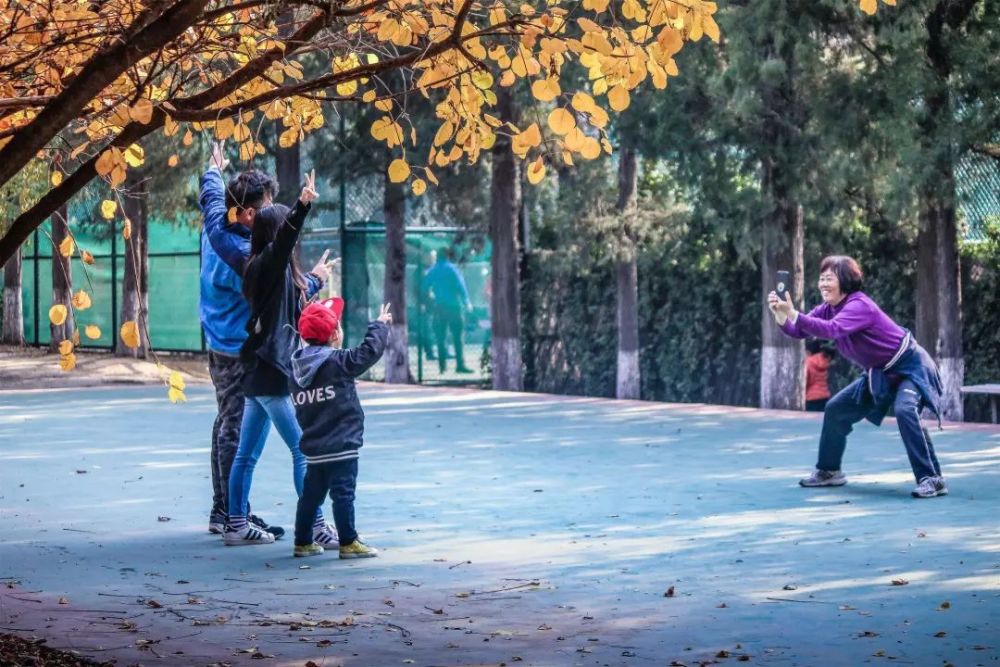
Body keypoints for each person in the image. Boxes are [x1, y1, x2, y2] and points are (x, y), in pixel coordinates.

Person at [217, 166, 337, 546]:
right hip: (269, 371)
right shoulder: (265, 266)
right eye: (287, 229)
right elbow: (284, 244)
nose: (293, 238)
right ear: (276, 236)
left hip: (260, 370)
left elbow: (295, 296)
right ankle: (315, 525)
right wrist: (302, 206)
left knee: (246, 455)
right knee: (304, 450)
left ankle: (236, 523)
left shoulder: (273, 272)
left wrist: (316, 277)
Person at [768, 255, 947, 498]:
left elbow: (831, 329)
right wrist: (782, 316)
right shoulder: (827, 308)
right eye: (821, 279)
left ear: (845, 280)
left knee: (906, 410)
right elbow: (801, 330)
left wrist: (794, 314)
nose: (822, 284)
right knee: (836, 408)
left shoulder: (859, 305)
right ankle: (829, 471)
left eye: (828, 279)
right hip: (879, 373)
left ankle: (931, 478)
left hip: (909, 367)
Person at [199, 149, 285, 538]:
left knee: (225, 422)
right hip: (235, 348)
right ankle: (231, 514)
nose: (271, 214)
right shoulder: (243, 257)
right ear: (249, 214)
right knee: (234, 426)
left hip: (219, 340)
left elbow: (211, 193)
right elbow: (273, 293)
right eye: (266, 209)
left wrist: (214, 166)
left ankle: (228, 509)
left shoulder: (216, 223)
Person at [289, 298, 391, 558]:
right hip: (342, 446)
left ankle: (302, 542)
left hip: (314, 448)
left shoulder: (295, 371)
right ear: (335, 335)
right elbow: (369, 352)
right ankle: (348, 542)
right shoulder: (338, 362)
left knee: (310, 498)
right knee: (343, 494)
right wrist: (379, 326)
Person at [423, 248, 473, 373]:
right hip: (454, 306)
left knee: (440, 337)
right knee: (457, 337)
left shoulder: (433, 270)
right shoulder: (452, 269)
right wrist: (467, 302)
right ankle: (460, 365)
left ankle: (442, 366)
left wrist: (430, 296)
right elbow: (461, 286)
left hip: (439, 306)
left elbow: (424, 287)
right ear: (447, 256)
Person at [804, 339, 834, 412]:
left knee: (812, 422)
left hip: (811, 397)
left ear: (808, 351)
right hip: (825, 395)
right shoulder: (825, 359)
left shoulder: (809, 362)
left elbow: (807, 380)